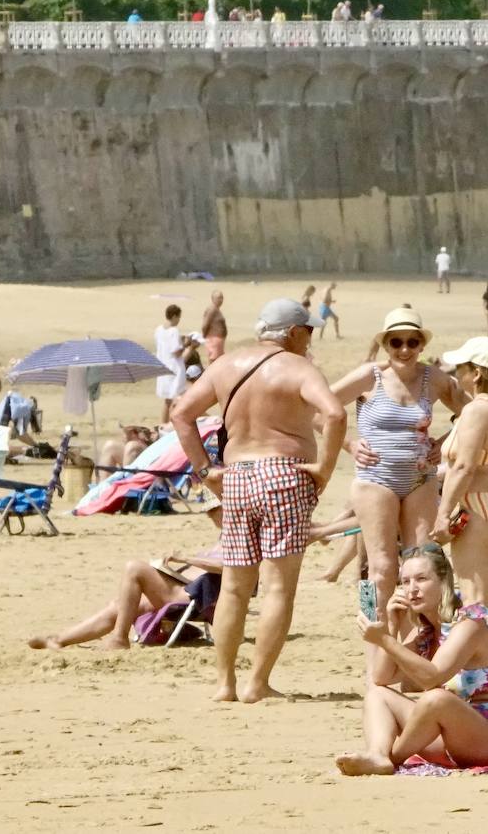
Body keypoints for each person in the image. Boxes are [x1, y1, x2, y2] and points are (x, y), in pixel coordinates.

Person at [169, 298, 347, 702]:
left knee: (233, 587)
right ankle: (258, 682)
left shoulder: (225, 365)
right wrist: (325, 468)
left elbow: (181, 413)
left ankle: (225, 683)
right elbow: (335, 414)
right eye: (309, 331)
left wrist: (204, 470)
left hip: (237, 477)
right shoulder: (297, 366)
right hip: (284, 473)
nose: (309, 339)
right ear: (293, 333)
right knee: (278, 588)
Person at [330, 309, 467, 640]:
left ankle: (419, 642)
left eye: (412, 342)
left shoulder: (432, 378)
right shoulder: (370, 376)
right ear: (385, 344)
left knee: (422, 565)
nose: (404, 350)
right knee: (381, 567)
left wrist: (445, 442)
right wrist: (348, 444)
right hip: (376, 478)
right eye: (396, 342)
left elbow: (471, 411)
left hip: (420, 478)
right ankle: (375, 640)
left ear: (421, 344)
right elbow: (320, 408)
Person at [336, 546, 488, 775]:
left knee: (436, 699)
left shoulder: (471, 623)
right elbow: (381, 677)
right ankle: (378, 755)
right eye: (405, 582)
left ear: (443, 581)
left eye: (422, 579)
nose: (412, 589)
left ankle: (392, 758)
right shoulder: (426, 634)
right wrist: (393, 628)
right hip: (453, 738)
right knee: (377, 694)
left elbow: (432, 677)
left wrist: (385, 641)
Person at [433, 338, 488, 640]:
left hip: (476, 509)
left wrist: (443, 514)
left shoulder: (475, 411)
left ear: (477, 373)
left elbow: (465, 467)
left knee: (474, 602)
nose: (457, 373)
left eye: (462, 367)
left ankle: (479, 675)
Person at [27, 549, 224, 650]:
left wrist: (187, 559)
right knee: (120, 606)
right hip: (185, 588)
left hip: (194, 598)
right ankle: (59, 640)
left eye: (215, 511)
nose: (212, 515)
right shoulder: (228, 534)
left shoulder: (241, 535)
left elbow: (232, 568)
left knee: (135, 568)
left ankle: (120, 639)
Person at [155, 305, 197, 424]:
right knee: (175, 398)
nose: (179, 320)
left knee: (167, 399)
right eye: (178, 317)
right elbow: (176, 352)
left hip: (163, 365)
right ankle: (171, 424)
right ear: (174, 316)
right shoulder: (174, 331)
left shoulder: (159, 329)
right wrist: (186, 344)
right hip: (173, 368)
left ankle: (164, 424)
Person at [201, 291, 228, 364]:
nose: (221, 300)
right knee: (214, 361)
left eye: (222, 298)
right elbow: (205, 324)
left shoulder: (216, 309)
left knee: (218, 360)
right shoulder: (211, 309)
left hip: (217, 340)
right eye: (219, 298)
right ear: (213, 298)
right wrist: (205, 336)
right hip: (213, 340)